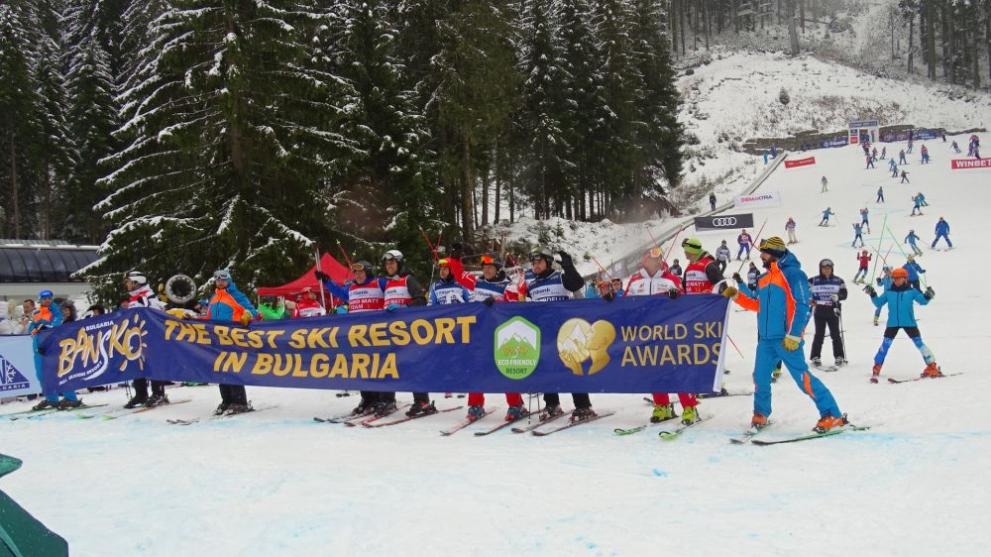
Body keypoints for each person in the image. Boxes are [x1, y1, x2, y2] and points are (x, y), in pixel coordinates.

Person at [723, 237, 846, 433]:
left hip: (786, 339)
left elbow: (803, 305)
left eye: (765, 252)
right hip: (766, 340)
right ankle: (761, 413)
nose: (761, 256)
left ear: (775, 253)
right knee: (760, 378)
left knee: (803, 379)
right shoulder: (764, 278)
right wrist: (737, 296)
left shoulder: (793, 274)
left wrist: (794, 334)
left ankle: (832, 414)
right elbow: (757, 305)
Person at [448, 252, 529, 422]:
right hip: (480, 335)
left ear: (498, 269)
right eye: (484, 268)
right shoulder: (477, 283)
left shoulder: (507, 285)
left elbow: (515, 306)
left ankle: (516, 405)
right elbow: (459, 275)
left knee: (506, 369)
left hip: (501, 336)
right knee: (476, 369)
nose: (486, 270)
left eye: (490, 267)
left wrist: (497, 301)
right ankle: (475, 405)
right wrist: (454, 259)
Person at [623, 248, 698, 425]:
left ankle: (689, 407)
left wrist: (677, 296)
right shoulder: (635, 281)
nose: (656, 261)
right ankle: (662, 406)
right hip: (646, 333)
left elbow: (684, 301)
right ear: (645, 260)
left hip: (669, 332)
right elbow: (625, 304)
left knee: (677, 369)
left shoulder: (671, 279)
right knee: (653, 370)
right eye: (652, 258)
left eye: (659, 258)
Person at [522, 247, 593, 421]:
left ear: (548, 262)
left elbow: (577, 284)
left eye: (539, 261)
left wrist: (568, 267)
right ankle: (552, 404)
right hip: (545, 333)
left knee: (572, 368)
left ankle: (583, 406)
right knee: (547, 369)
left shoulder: (560, 277)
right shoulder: (532, 286)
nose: (535, 265)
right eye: (533, 262)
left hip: (565, 332)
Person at [318, 260, 391, 415]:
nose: (358, 275)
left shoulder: (379, 283)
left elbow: (395, 291)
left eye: (361, 272)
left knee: (379, 367)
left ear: (368, 272)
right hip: (357, 335)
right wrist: (326, 281)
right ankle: (367, 398)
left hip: (377, 334)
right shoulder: (351, 288)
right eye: (355, 272)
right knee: (361, 367)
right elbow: (338, 291)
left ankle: (383, 399)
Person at [864, 268, 941, 382]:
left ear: (905, 279)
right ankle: (877, 367)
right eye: (894, 278)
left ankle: (932, 366)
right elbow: (878, 303)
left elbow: (923, 301)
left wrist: (928, 296)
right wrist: (873, 293)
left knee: (919, 344)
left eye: (898, 278)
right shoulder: (889, 292)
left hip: (909, 322)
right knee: (885, 345)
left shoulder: (911, 291)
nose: (896, 281)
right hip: (892, 323)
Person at [207, 269, 259, 415]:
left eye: (223, 280)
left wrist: (247, 315)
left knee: (232, 369)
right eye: (218, 280)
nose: (220, 282)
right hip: (217, 339)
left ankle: (239, 402)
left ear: (228, 280)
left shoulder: (236, 295)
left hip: (233, 338)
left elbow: (252, 311)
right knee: (220, 369)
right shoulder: (214, 298)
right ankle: (227, 400)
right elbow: (208, 318)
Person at [122, 271, 170, 408]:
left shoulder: (148, 297)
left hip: (151, 336)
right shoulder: (134, 298)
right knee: (136, 363)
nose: (127, 285)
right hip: (136, 336)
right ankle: (141, 394)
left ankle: (158, 393)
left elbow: (157, 314)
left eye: (129, 282)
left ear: (137, 282)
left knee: (153, 364)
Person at [29, 290, 82, 410]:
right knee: (42, 375)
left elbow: (56, 325)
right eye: (44, 298)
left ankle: (71, 398)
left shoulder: (56, 311)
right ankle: (51, 399)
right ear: (40, 300)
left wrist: (44, 326)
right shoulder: (37, 312)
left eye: (49, 298)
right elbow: (32, 327)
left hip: (53, 348)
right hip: (38, 348)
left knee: (60, 373)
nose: (47, 300)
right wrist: (33, 329)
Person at [808, 259, 848, 368]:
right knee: (819, 334)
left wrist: (838, 296)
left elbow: (844, 294)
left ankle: (839, 356)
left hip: (833, 310)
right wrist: (809, 299)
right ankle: (815, 357)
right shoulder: (813, 280)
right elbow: (803, 291)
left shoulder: (838, 280)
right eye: (824, 268)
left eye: (829, 268)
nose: (826, 270)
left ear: (832, 269)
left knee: (835, 334)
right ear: (820, 269)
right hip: (819, 309)